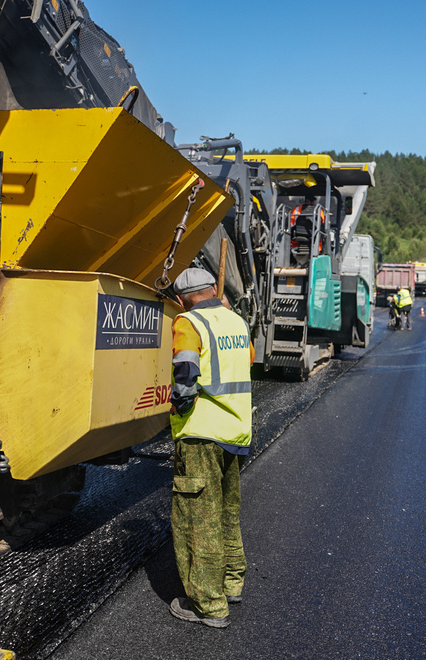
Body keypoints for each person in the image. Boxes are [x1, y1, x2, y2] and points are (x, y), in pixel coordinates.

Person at [168, 267, 255, 629]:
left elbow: (185, 372)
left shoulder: (187, 322)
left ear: (181, 299)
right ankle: (232, 582)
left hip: (200, 434)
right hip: (235, 433)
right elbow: (247, 360)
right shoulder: (236, 321)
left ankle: (208, 605)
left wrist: (181, 405)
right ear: (214, 290)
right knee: (226, 511)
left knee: (197, 520)